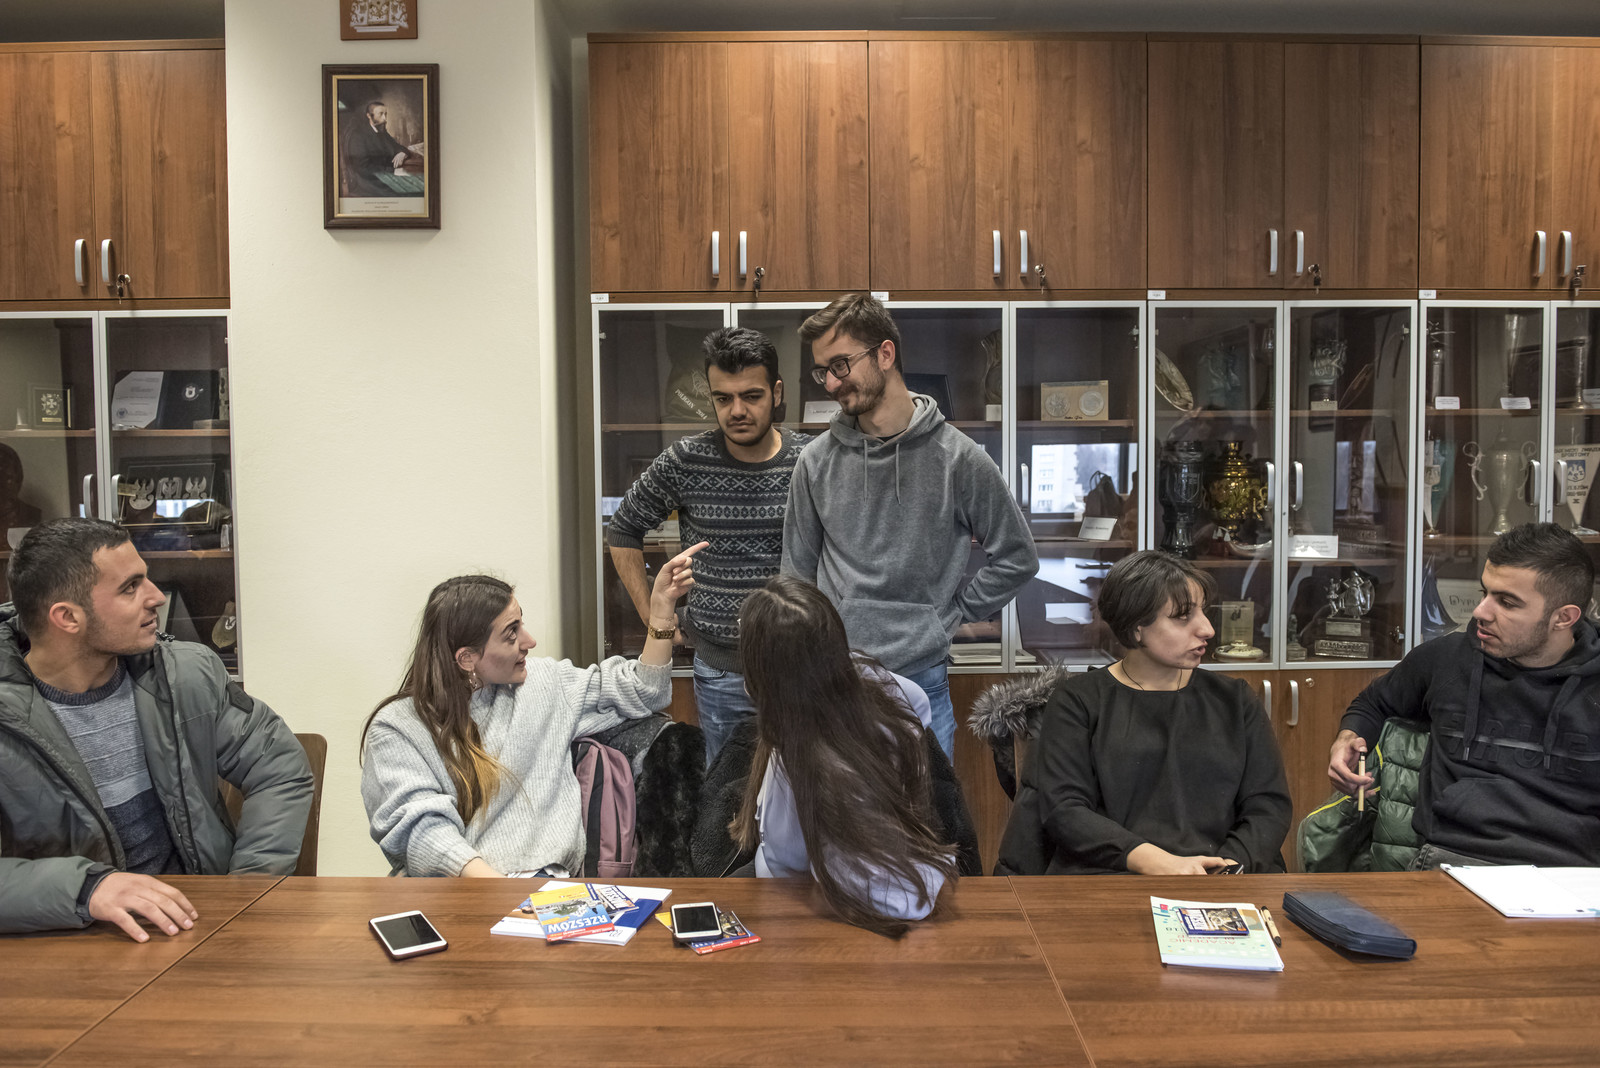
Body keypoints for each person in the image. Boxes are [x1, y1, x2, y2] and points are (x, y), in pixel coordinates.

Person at [0, 518, 312, 940]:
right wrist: (85, 889)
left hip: (192, 925)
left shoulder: (186, 674)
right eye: (130, 587)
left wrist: (246, 889)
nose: (156, 597)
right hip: (65, 941)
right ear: (67, 617)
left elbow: (279, 767)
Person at [782, 294, 1038, 758]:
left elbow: (1018, 557)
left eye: (841, 365)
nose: (832, 383)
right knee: (841, 807)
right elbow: (795, 578)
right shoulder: (815, 462)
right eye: (823, 372)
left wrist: (952, 615)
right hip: (837, 681)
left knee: (928, 804)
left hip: (924, 676)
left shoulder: (960, 459)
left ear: (885, 353)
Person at [360, 542, 703, 878]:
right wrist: (499, 895)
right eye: (511, 634)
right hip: (460, 893)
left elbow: (645, 690)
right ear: (466, 659)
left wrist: (661, 610)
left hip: (552, 891)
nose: (530, 641)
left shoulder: (545, 683)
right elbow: (422, 832)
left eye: (520, 623)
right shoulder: (398, 728)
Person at [1000, 551, 1290, 875]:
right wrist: (1159, 863)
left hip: (1225, 876)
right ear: (1136, 627)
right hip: (1110, 876)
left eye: (1203, 612)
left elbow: (1268, 805)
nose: (1207, 629)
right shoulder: (1078, 702)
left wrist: (1225, 870)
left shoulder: (1235, 699)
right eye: (1183, 616)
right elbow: (1065, 810)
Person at [1330, 522, 1600, 868]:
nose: (1480, 612)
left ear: (1564, 617)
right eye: (1484, 592)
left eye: (1507, 602)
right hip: (1453, 861)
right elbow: (1373, 702)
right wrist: (1347, 738)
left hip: (1571, 874)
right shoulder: (1446, 659)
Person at [609, 327, 808, 765]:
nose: (737, 410)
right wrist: (653, 618)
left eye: (751, 396)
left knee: (804, 792)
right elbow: (622, 529)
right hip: (721, 675)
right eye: (723, 398)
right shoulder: (686, 460)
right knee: (727, 794)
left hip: (801, 670)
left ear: (776, 393)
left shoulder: (810, 460)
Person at [729, 576, 959, 936]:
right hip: (895, 873)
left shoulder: (799, 752)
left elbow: (784, 860)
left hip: (827, 904)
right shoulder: (882, 685)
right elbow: (918, 707)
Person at [341, 101, 421, 197]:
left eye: (386, 114)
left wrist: (402, 153)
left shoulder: (382, 132)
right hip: (369, 182)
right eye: (381, 114)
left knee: (418, 186)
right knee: (411, 193)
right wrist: (393, 171)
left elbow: (398, 147)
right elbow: (363, 168)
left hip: (386, 176)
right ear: (369, 116)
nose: (385, 118)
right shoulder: (358, 136)